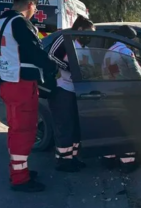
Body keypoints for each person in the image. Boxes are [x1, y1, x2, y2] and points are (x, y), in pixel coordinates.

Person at [0, 0, 58, 192]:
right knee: (24, 131)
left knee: (15, 130)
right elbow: (36, 53)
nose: (34, 11)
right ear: (31, 4)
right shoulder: (20, 23)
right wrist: (54, 67)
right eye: (35, 7)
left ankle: (19, 170)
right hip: (21, 85)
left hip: (7, 82)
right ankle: (20, 178)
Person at [48, 15, 95, 172]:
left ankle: (72, 157)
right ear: (80, 30)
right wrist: (70, 68)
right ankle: (63, 161)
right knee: (64, 126)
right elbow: (52, 56)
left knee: (75, 126)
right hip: (62, 89)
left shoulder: (85, 48)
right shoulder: (66, 39)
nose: (90, 37)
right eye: (89, 33)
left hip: (78, 91)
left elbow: (90, 67)